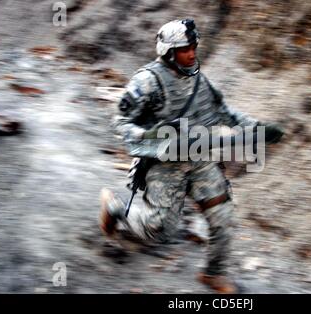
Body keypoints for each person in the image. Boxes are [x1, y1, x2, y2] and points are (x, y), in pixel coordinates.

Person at [99, 19, 284, 293]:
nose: (192, 53)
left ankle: (213, 273)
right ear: (169, 52)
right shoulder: (147, 81)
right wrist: (153, 138)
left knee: (222, 215)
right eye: (185, 49)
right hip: (163, 164)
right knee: (159, 229)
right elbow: (121, 122)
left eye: (193, 47)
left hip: (200, 159)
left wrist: (255, 128)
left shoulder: (198, 78)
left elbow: (223, 112)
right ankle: (115, 210)